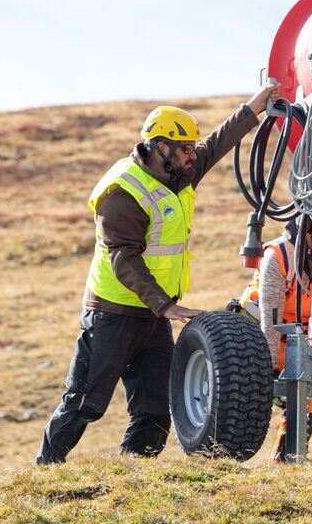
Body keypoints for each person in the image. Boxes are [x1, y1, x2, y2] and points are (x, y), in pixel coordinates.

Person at [36, 83, 280, 465]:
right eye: (185, 148)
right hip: (112, 314)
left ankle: (134, 477)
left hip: (153, 316)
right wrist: (165, 306)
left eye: (191, 148)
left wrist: (254, 109)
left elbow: (216, 145)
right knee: (85, 403)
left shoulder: (178, 173)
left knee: (156, 409)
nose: (192, 155)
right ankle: (45, 473)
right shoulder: (122, 193)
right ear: (160, 147)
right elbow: (123, 259)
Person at [230, 218, 312, 462]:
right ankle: (222, 462)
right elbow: (270, 319)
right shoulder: (279, 256)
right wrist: (268, 369)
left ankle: (286, 463)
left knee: (307, 408)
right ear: (306, 228)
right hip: (256, 339)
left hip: (301, 340)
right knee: (245, 407)